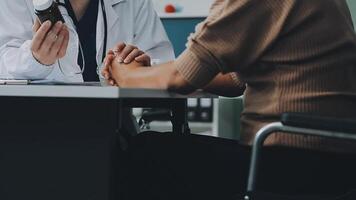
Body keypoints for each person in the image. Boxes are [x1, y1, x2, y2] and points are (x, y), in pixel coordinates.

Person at [102, 0, 356, 199]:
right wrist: (148, 73)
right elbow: (236, 77)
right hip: (333, 162)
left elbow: (179, 78)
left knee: (146, 153)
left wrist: (123, 70)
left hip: (288, 164)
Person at [0, 0, 174, 82]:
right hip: (34, 123)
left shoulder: (135, 3)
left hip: (112, 125)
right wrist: (35, 59)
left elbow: (164, 62)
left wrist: (142, 69)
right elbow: (4, 61)